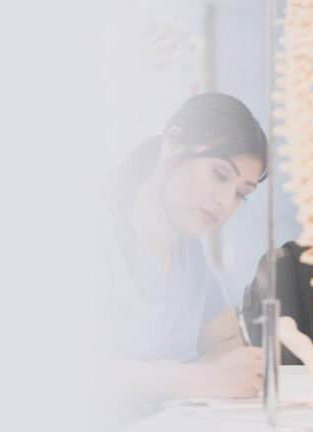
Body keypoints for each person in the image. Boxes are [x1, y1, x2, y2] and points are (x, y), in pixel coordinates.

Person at [89, 93, 268, 428]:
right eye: (219, 174)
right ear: (172, 144)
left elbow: (227, 342)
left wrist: (210, 377)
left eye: (242, 194)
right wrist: (195, 380)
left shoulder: (190, 254)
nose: (225, 202)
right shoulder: (94, 236)